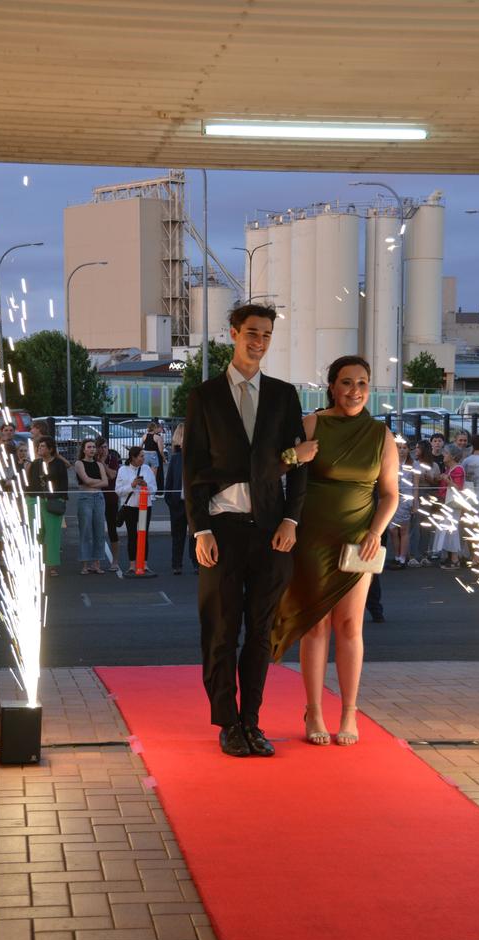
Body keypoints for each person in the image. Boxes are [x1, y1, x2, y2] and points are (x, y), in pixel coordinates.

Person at [184, 302, 309, 759]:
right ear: (233, 333)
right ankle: (227, 722)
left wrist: (292, 520)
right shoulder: (205, 397)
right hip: (220, 530)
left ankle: (252, 721)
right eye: (252, 333)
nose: (259, 342)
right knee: (220, 630)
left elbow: (300, 470)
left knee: (259, 632)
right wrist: (200, 530)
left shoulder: (283, 395)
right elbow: (194, 469)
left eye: (267, 335)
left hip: (272, 532)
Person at [271, 355, 398, 747]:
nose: (354, 391)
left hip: (359, 541)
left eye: (362, 383)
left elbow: (391, 494)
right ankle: (314, 711)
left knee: (350, 625)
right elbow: (276, 468)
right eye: (346, 382)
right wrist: (295, 455)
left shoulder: (381, 435)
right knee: (315, 624)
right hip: (311, 539)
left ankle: (348, 712)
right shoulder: (312, 423)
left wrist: (376, 531)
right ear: (331, 385)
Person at [27, 436, 69, 577]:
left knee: (53, 535)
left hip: (54, 501)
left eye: (43, 446)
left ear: (51, 449)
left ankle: (52, 565)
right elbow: (31, 484)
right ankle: (36, 563)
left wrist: (62, 499)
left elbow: (64, 483)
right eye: (39, 446)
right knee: (36, 534)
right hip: (36, 501)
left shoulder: (59, 464)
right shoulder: (35, 464)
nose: (40, 448)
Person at [115, 446, 158, 578]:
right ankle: (132, 565)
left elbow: (154, 489)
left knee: (143, 534)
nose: (143, 459)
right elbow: (118, 490)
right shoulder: (123, 470)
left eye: (143, 456)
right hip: (129, 507)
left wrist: (145, 485)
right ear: (133, 457)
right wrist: (132, 485)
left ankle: (144, 564)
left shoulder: (146, 469)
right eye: (141, 456)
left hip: (145, 507)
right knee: (132, 535)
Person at [164, 423, 197, 575]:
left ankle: (196, 563)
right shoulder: (175, 460)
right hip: (178, 504)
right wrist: (171, 502)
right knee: (178, 536)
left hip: (194, 505)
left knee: (195, 535)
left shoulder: (199, 459)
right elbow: (169, 483)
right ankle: (176, 564)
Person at [74, 438, 108, 575]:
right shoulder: (79, 463)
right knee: (86, 530)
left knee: (99, 531)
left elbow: (105, 482)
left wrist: (93, 483)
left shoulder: (99, 464)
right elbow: (85, 480)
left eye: (94, 447)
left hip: (99, 498)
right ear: (83, 449)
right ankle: (85, 564)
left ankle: (97, 563)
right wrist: (97, 481)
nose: (92, 449)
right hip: (85, 498)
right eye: (89, 447)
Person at [431, 443, 465, 568]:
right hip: (447, 502)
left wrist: (446, 480)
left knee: (451, 529)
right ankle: (451, 557)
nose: (443, 455)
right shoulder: (450, 469)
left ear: (452, 456)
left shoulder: (457, 469)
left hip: (452, 504)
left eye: (446, 453)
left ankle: (455, 558)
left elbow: (458, 487)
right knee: (448, 529)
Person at [410, 439, 441, 566]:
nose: (416, 450)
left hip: (428, 496)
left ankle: (423, 554)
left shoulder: (434, 466)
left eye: (418, 448)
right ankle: (412, 554)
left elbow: (437, 483)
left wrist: (431, 479)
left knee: (426, 527)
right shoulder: (414, 464)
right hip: (416, 494)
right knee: (414, 526)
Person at [388, 438, 416, 569]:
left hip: (406, 500)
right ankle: (396, 556)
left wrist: (415, 503)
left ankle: (402, 558)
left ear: (408, 450)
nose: (402, 450)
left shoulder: (413, 464)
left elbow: (416, 486)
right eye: (399, 447)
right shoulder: (389, 463)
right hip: (391, 499)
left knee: (404, 529)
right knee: (393, 530)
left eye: (404, 448)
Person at [96, 436, 122, 572]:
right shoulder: (93, 460)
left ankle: (115, 561)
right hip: (97, 497)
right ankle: (96, 562)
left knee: (112, 528)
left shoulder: (113, 459)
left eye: (105, 447)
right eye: (100, 447)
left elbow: (112, 475)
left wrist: (103, 464)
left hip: (111, 498)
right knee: (97, 529)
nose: (103, 450)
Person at [142, 421, 166, 495]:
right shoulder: (157, 437)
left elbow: (140, 446)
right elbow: (160, 450)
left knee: (145, 474)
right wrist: (164, 458)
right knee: (153, 476)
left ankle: (145, 492)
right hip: (153, 455)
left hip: (145, 454)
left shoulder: (144, 436)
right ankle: (152, 494)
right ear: (154, 428)